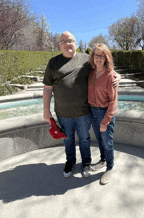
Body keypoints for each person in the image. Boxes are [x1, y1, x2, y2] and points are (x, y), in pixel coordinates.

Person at [43, 31, 121, 179]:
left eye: (70, 41)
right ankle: (70, 162)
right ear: (59, 45)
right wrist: (46, 110)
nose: (67, 44)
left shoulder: (86, 60)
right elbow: (47, 88)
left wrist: (117, 75)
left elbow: (104, 66)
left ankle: (87, 163)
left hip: (84, 112)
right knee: (68, 139)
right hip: (63, 112)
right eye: (63, 41)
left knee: (85, 139)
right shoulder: (53, 63)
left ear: (76, 43)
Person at [88, 43, 118, 185]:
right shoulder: (91, 73)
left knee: (107, 142)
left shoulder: (110, 76)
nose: (98, 58)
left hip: (104, 113)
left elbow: (113, 102)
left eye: (101, 56)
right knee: (99, 140)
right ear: (92, 56)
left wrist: (105, 121)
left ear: (106, 58)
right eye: (96, 55)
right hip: (93, 111)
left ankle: (110, 167)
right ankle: (103, 160)